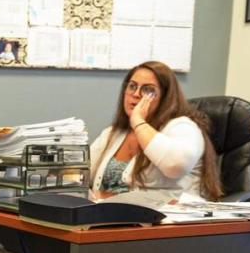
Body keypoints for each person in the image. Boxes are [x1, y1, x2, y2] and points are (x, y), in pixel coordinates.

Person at [90, 60, 222, 200]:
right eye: (132, 86)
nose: (136, 94)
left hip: (171, 218)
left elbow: (175, 165)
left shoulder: (184, 127)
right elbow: (81, 173)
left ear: (165, 97)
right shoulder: (113, 133)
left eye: (148, 90)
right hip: (112, 217)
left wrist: (138, 122)